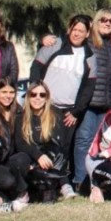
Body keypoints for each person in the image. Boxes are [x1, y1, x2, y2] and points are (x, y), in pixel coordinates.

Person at [29, 14, 96, 199]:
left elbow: (89, 87)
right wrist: (36, 95)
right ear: (69, 29)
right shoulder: (54, 45)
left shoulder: (89, 56)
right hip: (46, 107)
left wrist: (76, 111)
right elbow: (35, 67)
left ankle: (62, 183)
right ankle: (40, 184)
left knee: (63, 149)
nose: (77, 33)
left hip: (68, 111)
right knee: (42, 144)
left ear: (87, 33)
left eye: (81, 31)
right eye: (74, 29)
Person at [73, 8, 111, 194]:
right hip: (89, 102)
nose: (107, 23)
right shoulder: (88, 42)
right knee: (84, 141)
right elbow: (69, 38)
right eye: (103, 20)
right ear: (96, 21)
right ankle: (79, 180)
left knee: (100, 145)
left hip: (106, 103)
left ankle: (94, 181)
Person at [10, 82, 68, 203]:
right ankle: (23, 192)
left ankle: (51, 189)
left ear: (46, 98)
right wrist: (38, 156)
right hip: (32, 158)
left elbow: (59, 142)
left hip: (50, 159)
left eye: (42, 95)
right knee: (18, 160)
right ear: (28, 97)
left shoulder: (55, 116)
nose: (37, 98)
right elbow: (21, 144)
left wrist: (44, 158)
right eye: (33, 94)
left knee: (58, 155)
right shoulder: (20, 118)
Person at [0, 78, 26, 202]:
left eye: (11, 92)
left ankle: (20, 191)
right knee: (7, 181)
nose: (8, 96)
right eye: (4, 92)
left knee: (23, 159)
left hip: (12, 160)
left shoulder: (19, 112)